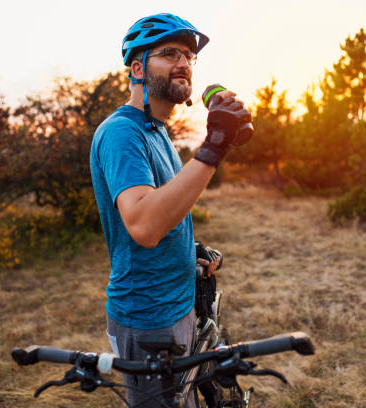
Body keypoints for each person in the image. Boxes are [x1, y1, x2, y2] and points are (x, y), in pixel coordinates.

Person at [89, 13, 252, 407]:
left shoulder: (158, 130)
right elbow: (144, 224)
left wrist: (189, 248)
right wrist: (214, 145)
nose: (183, 63)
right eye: (169, 53)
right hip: (148, 318)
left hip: (179, 304)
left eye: (188, 56)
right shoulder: (121, 132)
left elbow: (167, 204)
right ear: (137, 67)